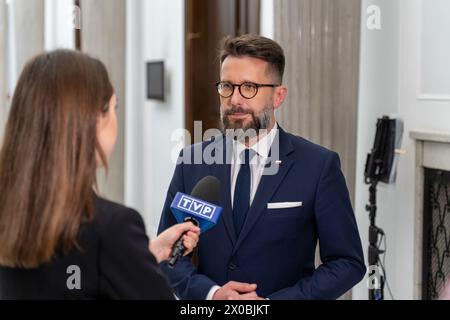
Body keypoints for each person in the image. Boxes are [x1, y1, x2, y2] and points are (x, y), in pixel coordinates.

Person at [158, 34, 366, 300]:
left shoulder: (318, 166)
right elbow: (168, 254)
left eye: (249, 87)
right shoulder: (192, 163)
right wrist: (212, 294)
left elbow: (347, 263)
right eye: (227, 87)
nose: (235, 99)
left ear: (278, 96)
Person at [0, 50, 200, 300]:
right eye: (114, 108)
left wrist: (140, 255)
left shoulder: (11, 215)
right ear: (94, 120)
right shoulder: (114, 228)